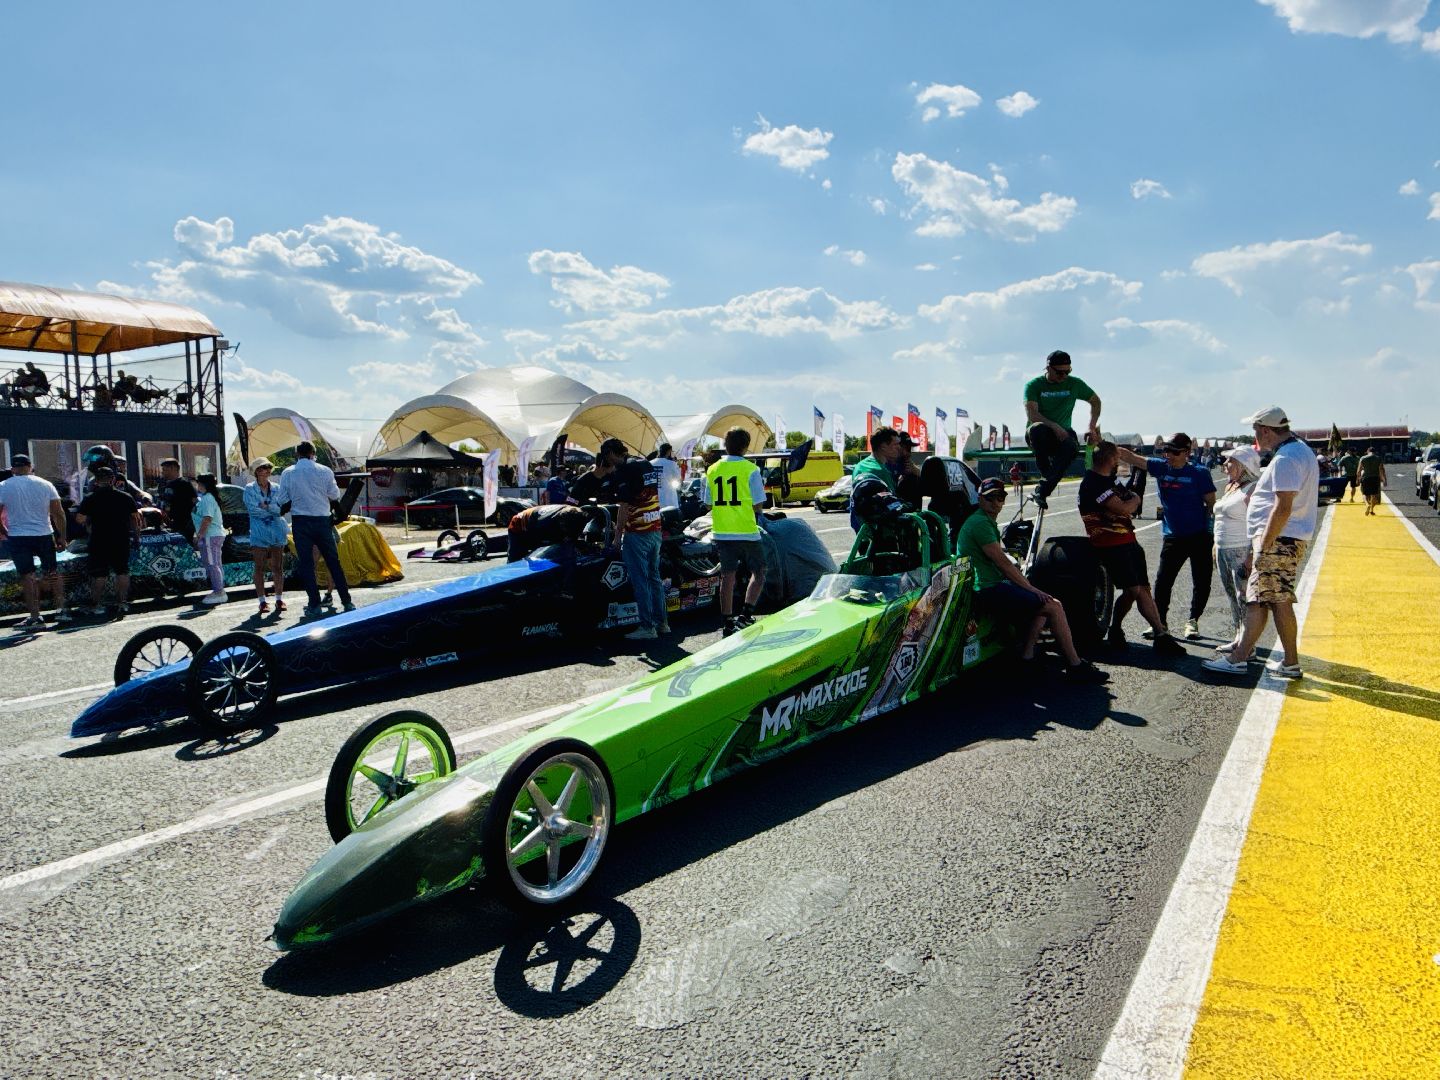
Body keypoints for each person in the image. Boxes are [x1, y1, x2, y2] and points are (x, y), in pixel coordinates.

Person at [1203, 406, 1320, 680]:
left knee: (1266, 601)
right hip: (1285, 538)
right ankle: (1280, 661)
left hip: (1278, 539)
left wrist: (1263, 545)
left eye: (1256, 430)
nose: (1255, 436)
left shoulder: (1286, 458)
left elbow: (1282, 506)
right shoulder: (1297, 450)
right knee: (1267, 600)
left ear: (1266, 430)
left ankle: (1240, 658)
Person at [958, 478, 1108, 682]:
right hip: (986, 589)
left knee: (1043, 607)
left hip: (990, 584)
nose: (995, 502)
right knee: (1053, 606)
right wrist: (1031, 589)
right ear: (980, 499)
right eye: (989, 498)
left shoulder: (983, 520)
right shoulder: (980, 523)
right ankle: (1075, 665)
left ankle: (1026, 658)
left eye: (1000, 497)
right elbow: (1003, 563)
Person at [1078, 441, 1186, 657]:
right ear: (1110, 459)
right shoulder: (1093, 482)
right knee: (1134, 589)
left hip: (1127, 540)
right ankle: (1142, 632)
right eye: (1116, 458)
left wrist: (1131, 499)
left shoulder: (1109, 480)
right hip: (1110, 543)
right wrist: (1135, 499)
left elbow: (1126, 499)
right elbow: (1126, 507)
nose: (1119, 461)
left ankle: (1144, 632)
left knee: (1141, 589)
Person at [1140, 433, 1216, 640]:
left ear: (1187, 453)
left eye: (1174, 452)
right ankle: (1159, 622)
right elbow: (1130, 458)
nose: (1169, 455)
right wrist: (1099, 442)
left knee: (1201, 580)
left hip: (1199, 535)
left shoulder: (1199, 473)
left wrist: (1210, 531)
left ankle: (1193, 621)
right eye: (1166, 451)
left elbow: (1210, 502)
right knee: (1163, 581)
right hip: (1173, 537)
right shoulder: (1161, 467)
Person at [591, 438, 667, 640]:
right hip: (655, 528)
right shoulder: (644, 463)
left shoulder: (625, 471)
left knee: (640, 580)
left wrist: (617, 538)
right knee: (654, 578)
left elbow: (623, 508)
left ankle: (647, 627)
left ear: (610, 453)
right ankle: (662, 623)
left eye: (606, 456)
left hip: (638, 533)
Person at [704, 426, 768, 637]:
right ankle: (746, 613)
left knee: (727, 577)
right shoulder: (751, 469)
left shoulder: (712, 470)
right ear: (745, 447)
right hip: (747, 530)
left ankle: (727, 622)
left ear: (725, 445)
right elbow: (758, 505)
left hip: (722, 531)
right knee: (759, 573)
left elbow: (707, 503)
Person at [1023, 349, 1101, 509]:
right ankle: (1046, 474)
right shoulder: (1034, 385)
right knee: (1039, 429)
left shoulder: (1074, 383)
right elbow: (1032, 414)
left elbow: (1096, 401)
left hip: (1064, 432)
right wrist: (1053, 425)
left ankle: (1043, 489)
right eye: (1060, 373)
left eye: (1068, 372)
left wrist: (1091, 426)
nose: (1064, 376)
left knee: (1071, 446)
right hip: (1040, 434)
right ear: (1048, 368)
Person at [0, 453, 71, 628]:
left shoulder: (3, 486)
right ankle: (61, 610)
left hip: (18, 535)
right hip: (44, 533)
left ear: (13, 469)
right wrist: (62, 536)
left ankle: (35, 617)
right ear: (30, 466)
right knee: (52, 571)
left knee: (27, 575)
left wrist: (5, 532)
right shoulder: (45, 484)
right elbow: (58, 513)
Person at [285, 440, 354, 614]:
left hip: (301, 521)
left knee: (307, 564)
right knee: (333, 562)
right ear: (313, 453)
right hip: (323, 521)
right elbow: (334, 495)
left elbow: (282, 499)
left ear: (297, 454)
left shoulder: (288, 473)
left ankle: (314, 604)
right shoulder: (325, 471)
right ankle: (347, 601)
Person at [1212, 446, 1262, 653]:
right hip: (1223, 549)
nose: (1225, 465)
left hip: (1241, 549)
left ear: (1243, 465)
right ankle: (1238, 638)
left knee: (1244, 598)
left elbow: (1259, 523)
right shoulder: (1230, 487)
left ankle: (1247, 646)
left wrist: (1252, 554)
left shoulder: (1253, 489)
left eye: (1229, 461)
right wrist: (1216, 546)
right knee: (1233, 597)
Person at [76, 466, 142, 617]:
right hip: (121, 538)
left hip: (99, 539)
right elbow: (135, 519)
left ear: (96, 481)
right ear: (113, 479)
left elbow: (80, 518)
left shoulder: (90, 498)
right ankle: (122, 603)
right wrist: (137, 537)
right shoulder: (125, 497)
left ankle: (96, 605)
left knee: (99, 574)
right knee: (122, 571)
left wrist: (89, 524)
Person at [244, 460, 289, 615]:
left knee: (278, 566)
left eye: (270, 467)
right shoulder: (249, 489)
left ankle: (279, 598)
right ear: (257, 471)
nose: (268, 470)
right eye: (264, 467)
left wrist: (267, 507)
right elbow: (253, 510)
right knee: (259, 567)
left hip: (277, 531)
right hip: (259, 533)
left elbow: (281, 509)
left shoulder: (277, 488)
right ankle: (262, 601)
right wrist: (272, 510)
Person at [849, 426, 905, 532]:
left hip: (862, 530)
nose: (899, 448)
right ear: (883, 446)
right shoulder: (879, 470)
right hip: (880, 533)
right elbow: (893, 505)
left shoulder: (859, 466)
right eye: (896, 444)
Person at [191, 474, 229, 606]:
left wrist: (199, 535)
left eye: (198, 483)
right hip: (214, 535)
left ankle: (219, 592)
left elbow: (207, 518)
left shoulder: (207, 498)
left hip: (210, 535)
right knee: (216, 563)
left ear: (203, 484)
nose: (197, 485)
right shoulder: (208, 498)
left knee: (212, 564)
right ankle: (219, 590)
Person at [156, 458, 197, 541]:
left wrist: (192, 522)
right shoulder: (164, 484)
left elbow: (195, 502)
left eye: (164, 469)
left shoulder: (184, 483)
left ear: (173, 468)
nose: (162, 472)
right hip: (170, 523)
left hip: (184, 523)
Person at [1356, 445, 1387, 516]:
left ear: (1368, 451)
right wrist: (1384, 480)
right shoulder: (1378, 458)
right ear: (1374, 452)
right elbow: (1381, 470)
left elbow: (1358, 470)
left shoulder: (1363, 458)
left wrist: (1358, 479)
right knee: (1374, 495)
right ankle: (1371, 510)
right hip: (1375, 478)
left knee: (1364, 494)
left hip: (1365, 478)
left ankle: (1367, 505)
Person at [654, 443, 682, 514]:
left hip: (655, 500)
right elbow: (679, 479)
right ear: (668, 451)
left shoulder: (650, 463)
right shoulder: (671, 464)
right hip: (669, 500)